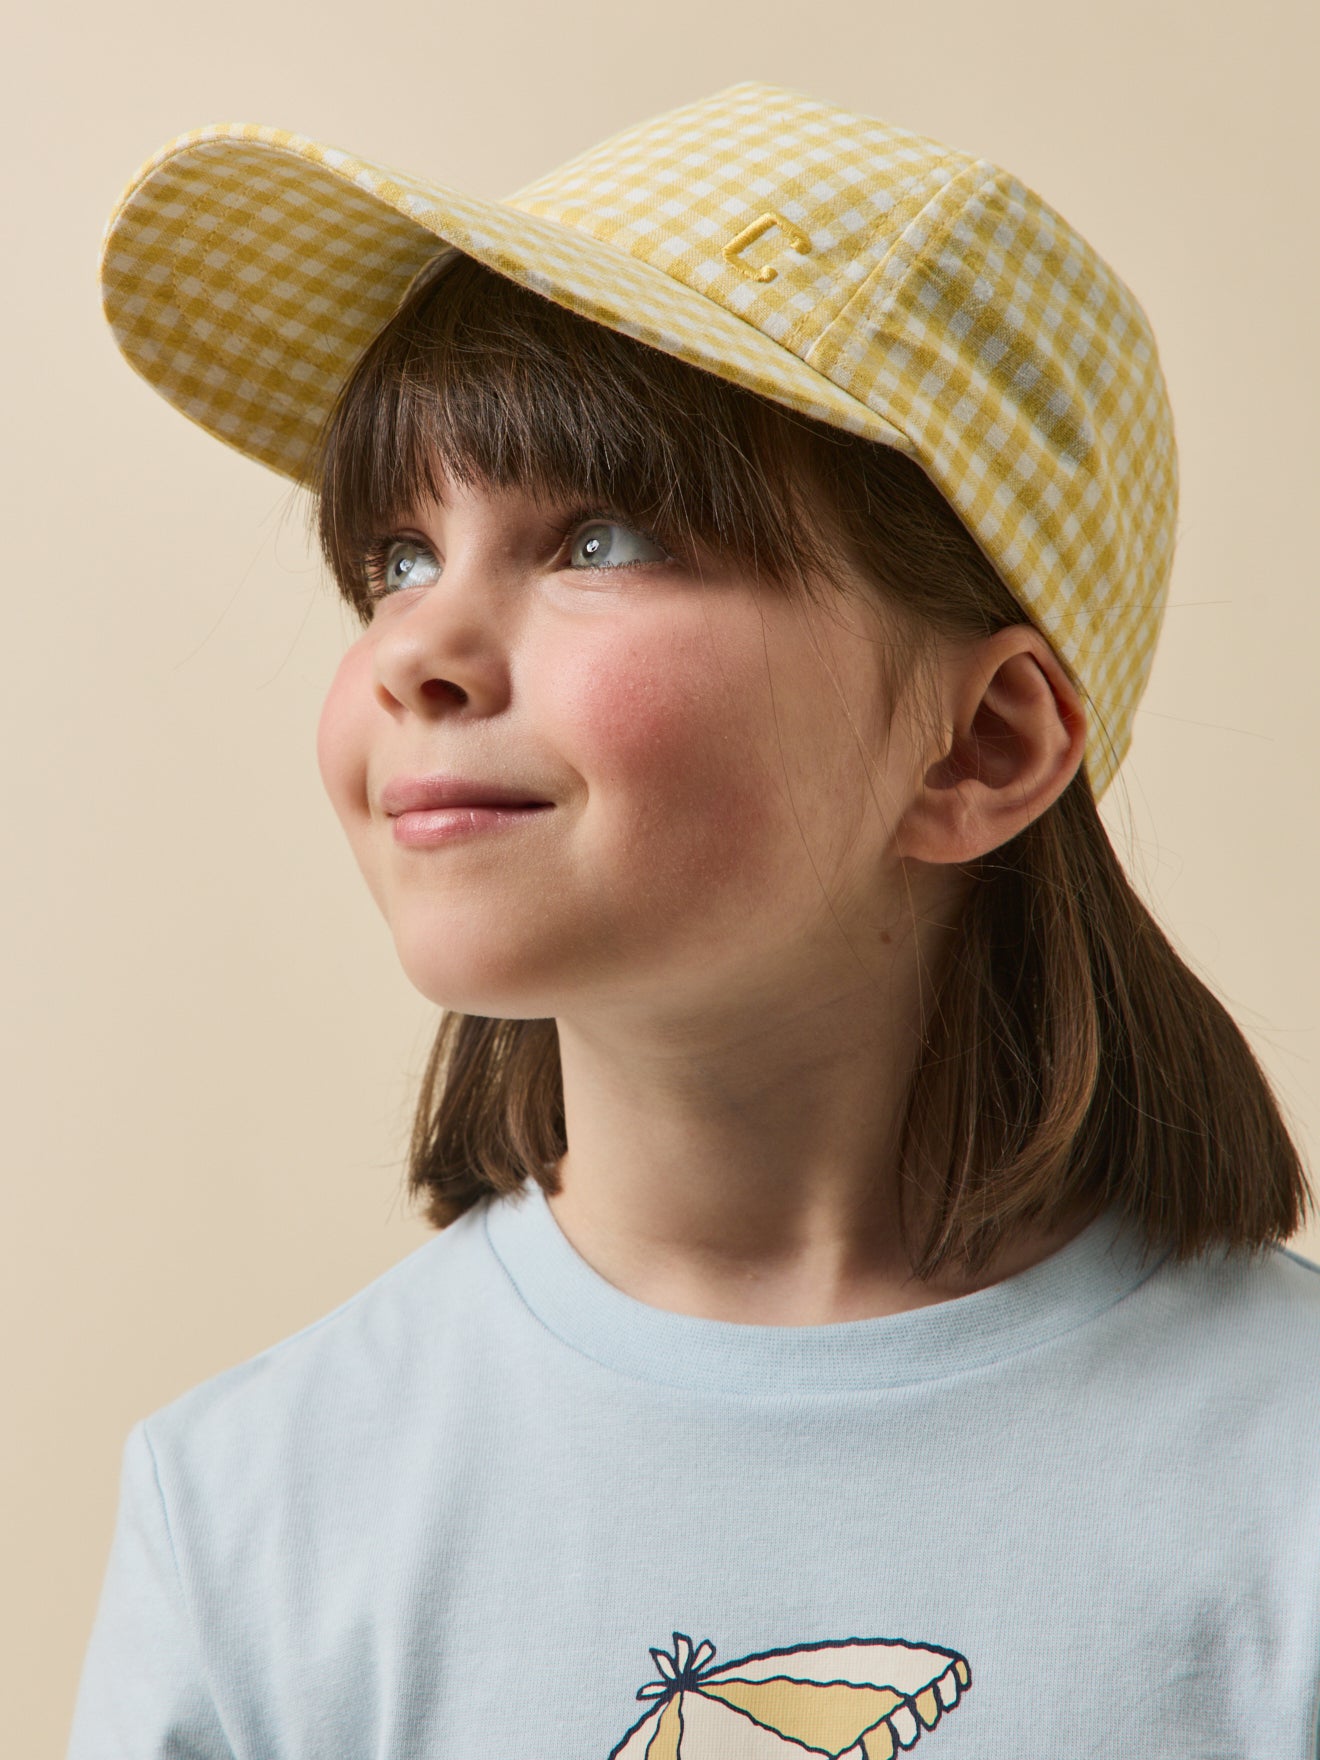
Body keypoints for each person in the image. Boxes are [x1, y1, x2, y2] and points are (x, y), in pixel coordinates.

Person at [73, 82, 1319, 1759]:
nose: (414, 648)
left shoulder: (1282, 1479)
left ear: (985, 743)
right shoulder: (251, 1512)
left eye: (600, 536)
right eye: (394, 556)